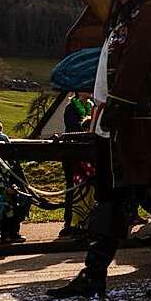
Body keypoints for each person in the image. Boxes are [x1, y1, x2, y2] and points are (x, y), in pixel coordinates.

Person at [47, 0, 151, 299]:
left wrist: (119, 106)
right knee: (114, 198)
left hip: (137, 120)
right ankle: (94, 275)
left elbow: (134, 64)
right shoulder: (125, 18)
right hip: (117, 120)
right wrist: (103, 115)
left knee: (149, 193)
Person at [60, 92, 93, 238]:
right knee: (71, 187)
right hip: (73, 152)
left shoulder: (91, 106)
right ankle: (69, 222)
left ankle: (86, 220)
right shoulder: (71, 108)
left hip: (87, 152)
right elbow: (72, 129)